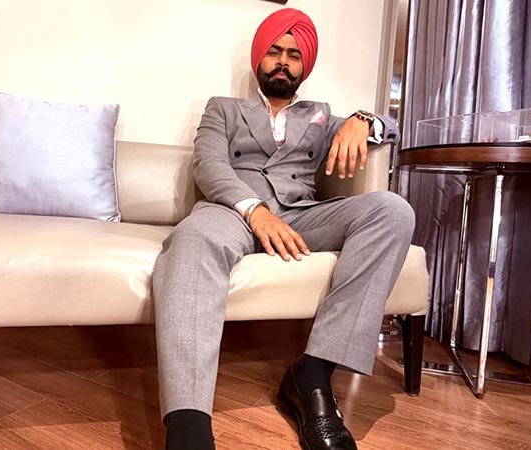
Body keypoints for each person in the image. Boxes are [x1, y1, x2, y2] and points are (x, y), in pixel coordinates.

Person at [152, 8, 415, 450]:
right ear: (259, 58)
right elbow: (209, 165)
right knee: (193, 237)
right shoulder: (224, 108)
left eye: (294, 55)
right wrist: (254, 210)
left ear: (303, 65)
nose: (283, 62)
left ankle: (314, 374)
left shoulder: (319, 116)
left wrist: (364, 119)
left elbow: (393, 129)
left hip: (299, 217)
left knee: (393, 211)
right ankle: (187, 425)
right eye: (275, 51)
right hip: (233, 212)